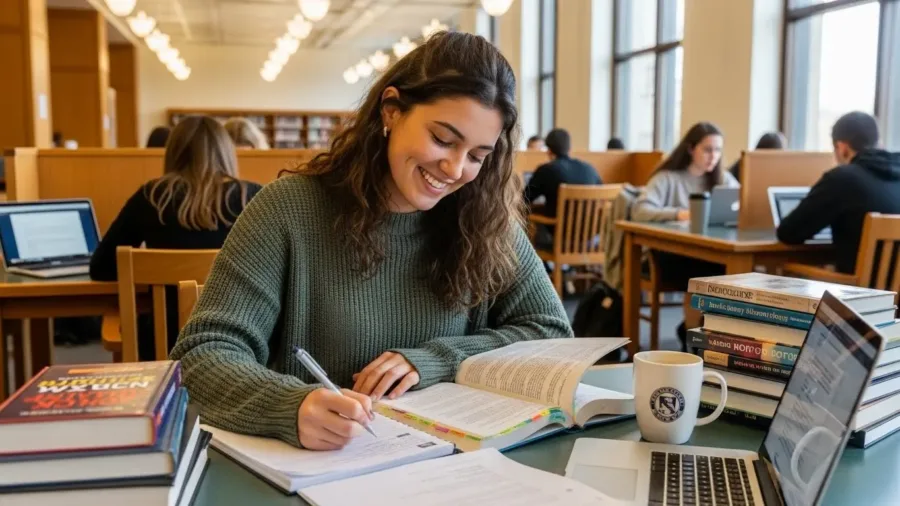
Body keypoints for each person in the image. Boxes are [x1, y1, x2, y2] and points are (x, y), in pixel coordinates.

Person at [170, 32, 570, 451]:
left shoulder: (484, 219)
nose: (454, 169)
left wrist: (436, 359)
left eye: (477, 155)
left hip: (451, 470)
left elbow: (552, 336)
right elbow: (202, 356)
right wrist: (289, 405)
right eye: (442, 140)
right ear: (392, 110)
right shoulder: (289, 210)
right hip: (320, 469)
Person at [90, 115, 263, 357]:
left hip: (163, 346)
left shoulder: (151, 196)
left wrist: (148, 272)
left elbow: (100, 267)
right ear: (227, 152)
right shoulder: (253, 197)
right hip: (238, 343)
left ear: (173, 152)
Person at [632, 122, 739, 344]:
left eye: (718, 150)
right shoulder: (668, 178)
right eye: (708, 150)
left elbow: (742, 204)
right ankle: (693, 337)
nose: (714, 156)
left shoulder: (723, 180)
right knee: (703, 273)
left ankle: (705, 331)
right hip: (670, 254)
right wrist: (678, 214)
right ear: (691, 149)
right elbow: (640, 210)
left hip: (711, 251)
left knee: (730, 272)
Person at [777, 112, 900, 274]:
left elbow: (789, 232)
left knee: (786, 270)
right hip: (893, 295)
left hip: (857, 294)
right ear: (880, 143)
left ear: (842, 148)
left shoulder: (842, 178)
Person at [523, 128, 602, 249]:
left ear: (548, 150)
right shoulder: (589, 169)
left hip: (560, 239)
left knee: (532, 221)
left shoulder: (546, 170)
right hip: (591, 239)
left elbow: (525, 199)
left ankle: (543, 267)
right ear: (569, 148)